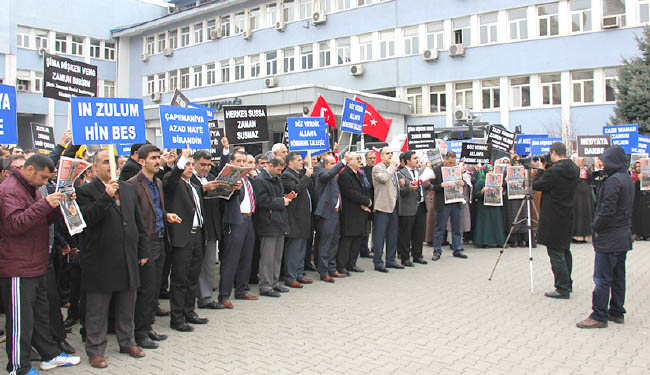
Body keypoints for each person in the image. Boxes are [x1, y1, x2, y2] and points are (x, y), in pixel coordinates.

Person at [0, 154, 81, 374]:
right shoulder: (9, 190)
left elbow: (41, 219)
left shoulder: (30, 187)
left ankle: (49, 355)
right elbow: (15, 224)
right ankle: (19, 367)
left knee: (40, 316)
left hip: (36, 263)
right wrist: (46, 203)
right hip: (17, 267)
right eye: (43, 178)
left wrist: (57, 205)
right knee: (20, 322)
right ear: (29, 170)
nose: (45, 183)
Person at [76, 149, 149, 368]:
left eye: (113, 162)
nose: (110, 166)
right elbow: (86, 220)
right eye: (105, 162)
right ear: (94, 167)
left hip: (128, 258)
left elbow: (138, 222)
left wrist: (143, 250)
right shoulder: (86, 191)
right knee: (97, 311)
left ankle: (127, 342)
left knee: (127, 306)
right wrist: (106, 196)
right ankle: (96, 349)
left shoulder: (127, 188)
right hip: (100, 260)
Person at [127, 144, 182, 349]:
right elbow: (134, 218)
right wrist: (141, 249)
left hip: (160, 239)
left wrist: (167, 215)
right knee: (146, 289)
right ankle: (140, 332)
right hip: (146, 242)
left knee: (154, 288)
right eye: (153, 158)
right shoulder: (132, 184)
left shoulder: (157, 182)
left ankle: (148, 327)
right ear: (141, 161)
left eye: (158, 157)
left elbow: (156, 209)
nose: (157, 161)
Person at [577, 146, 634, 328]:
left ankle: (599, 315)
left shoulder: (613, 182)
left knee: (602, 278)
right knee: (618, 277)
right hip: (622, 236)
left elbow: (607, 210)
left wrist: (596, 226)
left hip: (609, 237)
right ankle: (617, 311)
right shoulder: (626, 179)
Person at [163, 148, 209, 332]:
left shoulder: (194, 186)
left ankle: (190, 311)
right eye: (187, 165)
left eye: (191, 165)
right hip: (183, 237)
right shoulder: (173, 182)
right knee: (180, 279)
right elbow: (171, 179)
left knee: (192, 277)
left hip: (197, 235)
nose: (190, 168)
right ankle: (177, 317)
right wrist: (182, 158)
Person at [532, 142, 579, 299]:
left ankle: (562, 288)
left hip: (553, 216)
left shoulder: (554, 171)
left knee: (555, 252)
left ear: (553, 153)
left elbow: (538, 185)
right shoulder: (574, 168)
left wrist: (539, 170)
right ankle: (568, 283)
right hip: (567, 214)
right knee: (565, 250)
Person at [218, 150, 259, 307]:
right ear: (232, 162)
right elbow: (226, 198)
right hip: (235, 221)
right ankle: (224, 295)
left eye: (245, 161)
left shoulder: (248, 179)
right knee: (231, 259)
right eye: (239, 161)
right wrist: (235, 188)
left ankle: (242, 289)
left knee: (246, 257)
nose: (242, 165)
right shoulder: (230, 179)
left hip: (249, 219)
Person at [191, 150, 227, 310]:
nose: (205, 168)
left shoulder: (212, 178)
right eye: (202, 165)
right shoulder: (189, 179)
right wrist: (203, 188)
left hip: (212, 227)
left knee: (209, 264)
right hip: (195, 229)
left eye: (208, 165)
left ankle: (205, 297)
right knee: (195, 266)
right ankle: (193, 299)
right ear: (194, 163)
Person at [253, 158, 291, 296]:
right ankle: (265, 285)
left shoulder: (276, 179)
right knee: (268, 258)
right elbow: (262, 201)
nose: (280, 172)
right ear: (270, 165)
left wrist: (283, 199)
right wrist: (281, 201)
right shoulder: (260, 180)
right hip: (268, 223)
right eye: (278, 169)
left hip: (278, 221)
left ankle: (274, 282)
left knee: (277, 257)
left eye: (281, 170)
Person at [281, 152, 314, 287]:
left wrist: (307, 169)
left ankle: (299, 273)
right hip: (294, 217)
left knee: (302, 247)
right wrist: (306, 176)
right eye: (299, 160)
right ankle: (290, 276)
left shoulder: (298, 174)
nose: (302, 162)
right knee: (293, 248)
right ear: (290, 163)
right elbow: (294, 192)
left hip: (304, 216)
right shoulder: (286, 176)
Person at [337, 152, 372, 274]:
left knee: (358, 237)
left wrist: (367, 201)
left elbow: (364, 190)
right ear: (349, 161)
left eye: (359, 158)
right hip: (349, 211)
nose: (359, 160)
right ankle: (342, 265)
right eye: (356, 158)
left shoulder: (360, 173)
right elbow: (350, 192)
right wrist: (365, 200)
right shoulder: (344, 174)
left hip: (360, 210)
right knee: (347, 239)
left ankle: (352, 263)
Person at [314, 155, 347, 282]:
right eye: (332, 164)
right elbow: (329, 174)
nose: (335, 166)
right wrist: (343, 162)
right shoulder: (321, 173)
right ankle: (323, 271)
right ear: (326, 165)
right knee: (326, 243)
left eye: (335, 163)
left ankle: (332, 269)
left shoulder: (333, 176)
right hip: (326, 214)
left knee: (334, 242)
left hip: (335, 213)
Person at [430, 151, 467, 260]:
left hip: (455, 201)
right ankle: (437, 251)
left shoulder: (456, 169)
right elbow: (431, 186)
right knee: (440, 227)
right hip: (443, 203)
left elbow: (462, 183)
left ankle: (457, 249)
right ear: (445, 159)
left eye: (453, 163)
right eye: (450, 162)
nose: (451, 165)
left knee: (456, 227)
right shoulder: (436, 170)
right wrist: (441, 185)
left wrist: (462, 183)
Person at [397, 151, 430, 266]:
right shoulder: (400, 173)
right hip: (408, 207)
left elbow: (428, 186)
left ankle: (418, 255)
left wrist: (427, 184)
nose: (417, 160)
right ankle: (405, 258)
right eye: (415, 158)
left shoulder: (420, 172)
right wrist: (408, 188)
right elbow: (399, 192)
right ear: (408, 161)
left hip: (421, 205)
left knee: (419, 233)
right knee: (406, 234)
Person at [472, 165, 505, 248]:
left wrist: (500, 190)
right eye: (489, 170)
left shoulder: (496, 180)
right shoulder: (480, 181)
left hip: (494, 204)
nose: (491, 172)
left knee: (496, 223)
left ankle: (499, 241)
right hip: (484, 206)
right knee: (485, 224)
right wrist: (483, 191)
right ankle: (484, 241)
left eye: (492, 170)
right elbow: (476, 194)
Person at [571, 156, 594, 243]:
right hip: (576, 194)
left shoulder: (587, 169)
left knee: (586, 213)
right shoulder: (573, 170)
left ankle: (585, 235)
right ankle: (576, 235)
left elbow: (591, 179)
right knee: (577, 213)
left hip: (585, 194)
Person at [359, 150, 377, 258]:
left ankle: (375, 248)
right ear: (366, 159)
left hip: (377, 202)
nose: (373, 160)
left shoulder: (378, 169)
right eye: (370, 158)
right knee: (366, 228)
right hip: (367, 202)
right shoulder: (363, 171)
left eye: (374, 158)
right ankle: (364, 249)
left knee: (376, 227)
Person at [631, 162, 650, 240]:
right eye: (637, 167)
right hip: (638, 200)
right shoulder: (633, 176)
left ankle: (647, 234)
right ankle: (639, 234)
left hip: (646, 199)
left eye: (640, 166)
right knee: (638, 216)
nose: (639, 168)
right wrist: (638, 180)